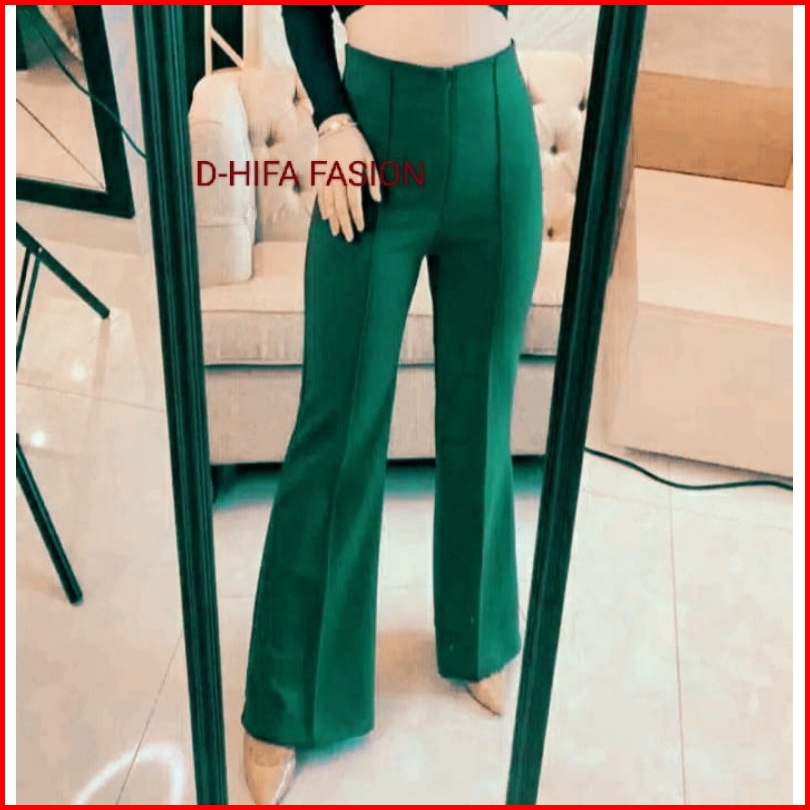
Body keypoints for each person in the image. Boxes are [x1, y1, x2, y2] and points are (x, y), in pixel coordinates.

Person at [241, 5, 542, 803]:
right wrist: (332, 119)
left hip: (495, 125)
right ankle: (289, 695)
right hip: (371, 131)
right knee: (336, 422)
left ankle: (478, 636)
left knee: (482, 410)